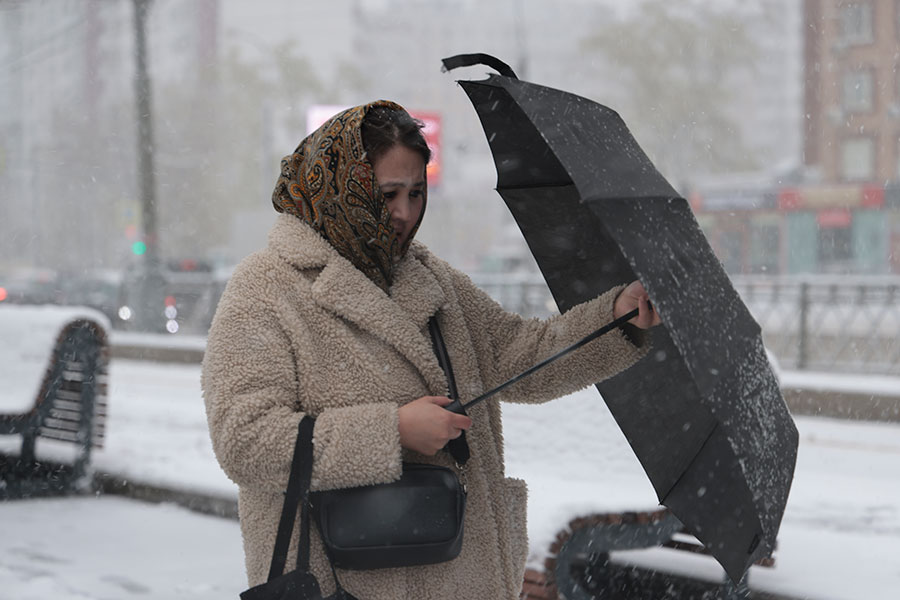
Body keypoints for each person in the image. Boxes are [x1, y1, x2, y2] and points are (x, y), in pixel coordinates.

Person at [202, 100, 660, 600]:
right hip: (344, 584)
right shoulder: (266, 288)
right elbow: (245, 441)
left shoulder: (431, 278)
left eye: (416, 193)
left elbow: (525, 355)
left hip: (465, 575)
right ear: (341, 188)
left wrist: (615, 316)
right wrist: (392, 431)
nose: (403, 213)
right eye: (386, 194)